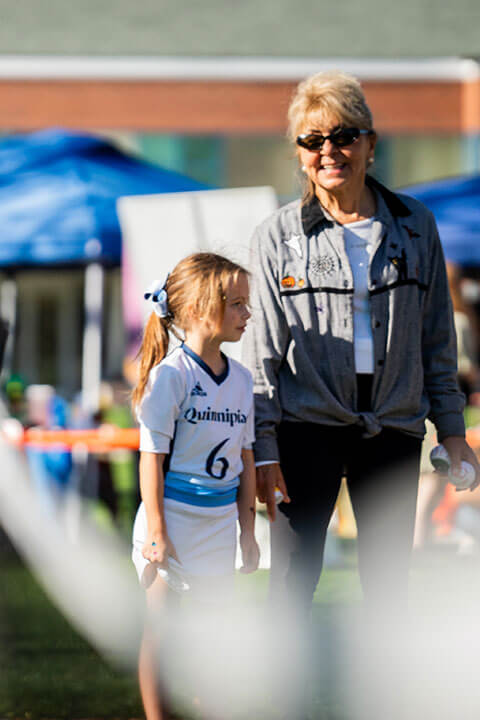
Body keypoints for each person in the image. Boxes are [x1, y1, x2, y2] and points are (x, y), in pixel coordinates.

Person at [244, 70, 479, 619]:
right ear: (299, 153)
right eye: (312, 140)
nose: (329, 151)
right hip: (306, 428)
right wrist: (265, 449)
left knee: (390, 589)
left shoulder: (416, 225)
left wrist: (452, 433)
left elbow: (437, 342)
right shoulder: (277, 235)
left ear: (370, 144)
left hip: (394, 427)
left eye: (344, 136)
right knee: (291, 585)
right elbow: (261, 358)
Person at [130, 253, 259, 720]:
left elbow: (244, 459)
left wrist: (247, 531)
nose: (248, 315)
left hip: (219, 526)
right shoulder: (171, 376)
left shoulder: (242, 381)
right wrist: (157, 532)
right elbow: (151, 459)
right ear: (206, 309)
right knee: (161, 632)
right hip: (171, 522)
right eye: (239, 304)